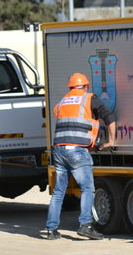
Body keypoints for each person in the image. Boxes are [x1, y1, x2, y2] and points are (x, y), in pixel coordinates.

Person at [41, 72, 116, 240]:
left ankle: (51, 229)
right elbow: (109, 116)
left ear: (70, 87)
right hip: (77, 151)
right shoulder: (89, 98)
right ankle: (85, 225)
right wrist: (111, 140)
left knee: (59, 192)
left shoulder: (61, 102)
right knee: (87, 188)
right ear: (86, 86)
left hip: (59, 150)